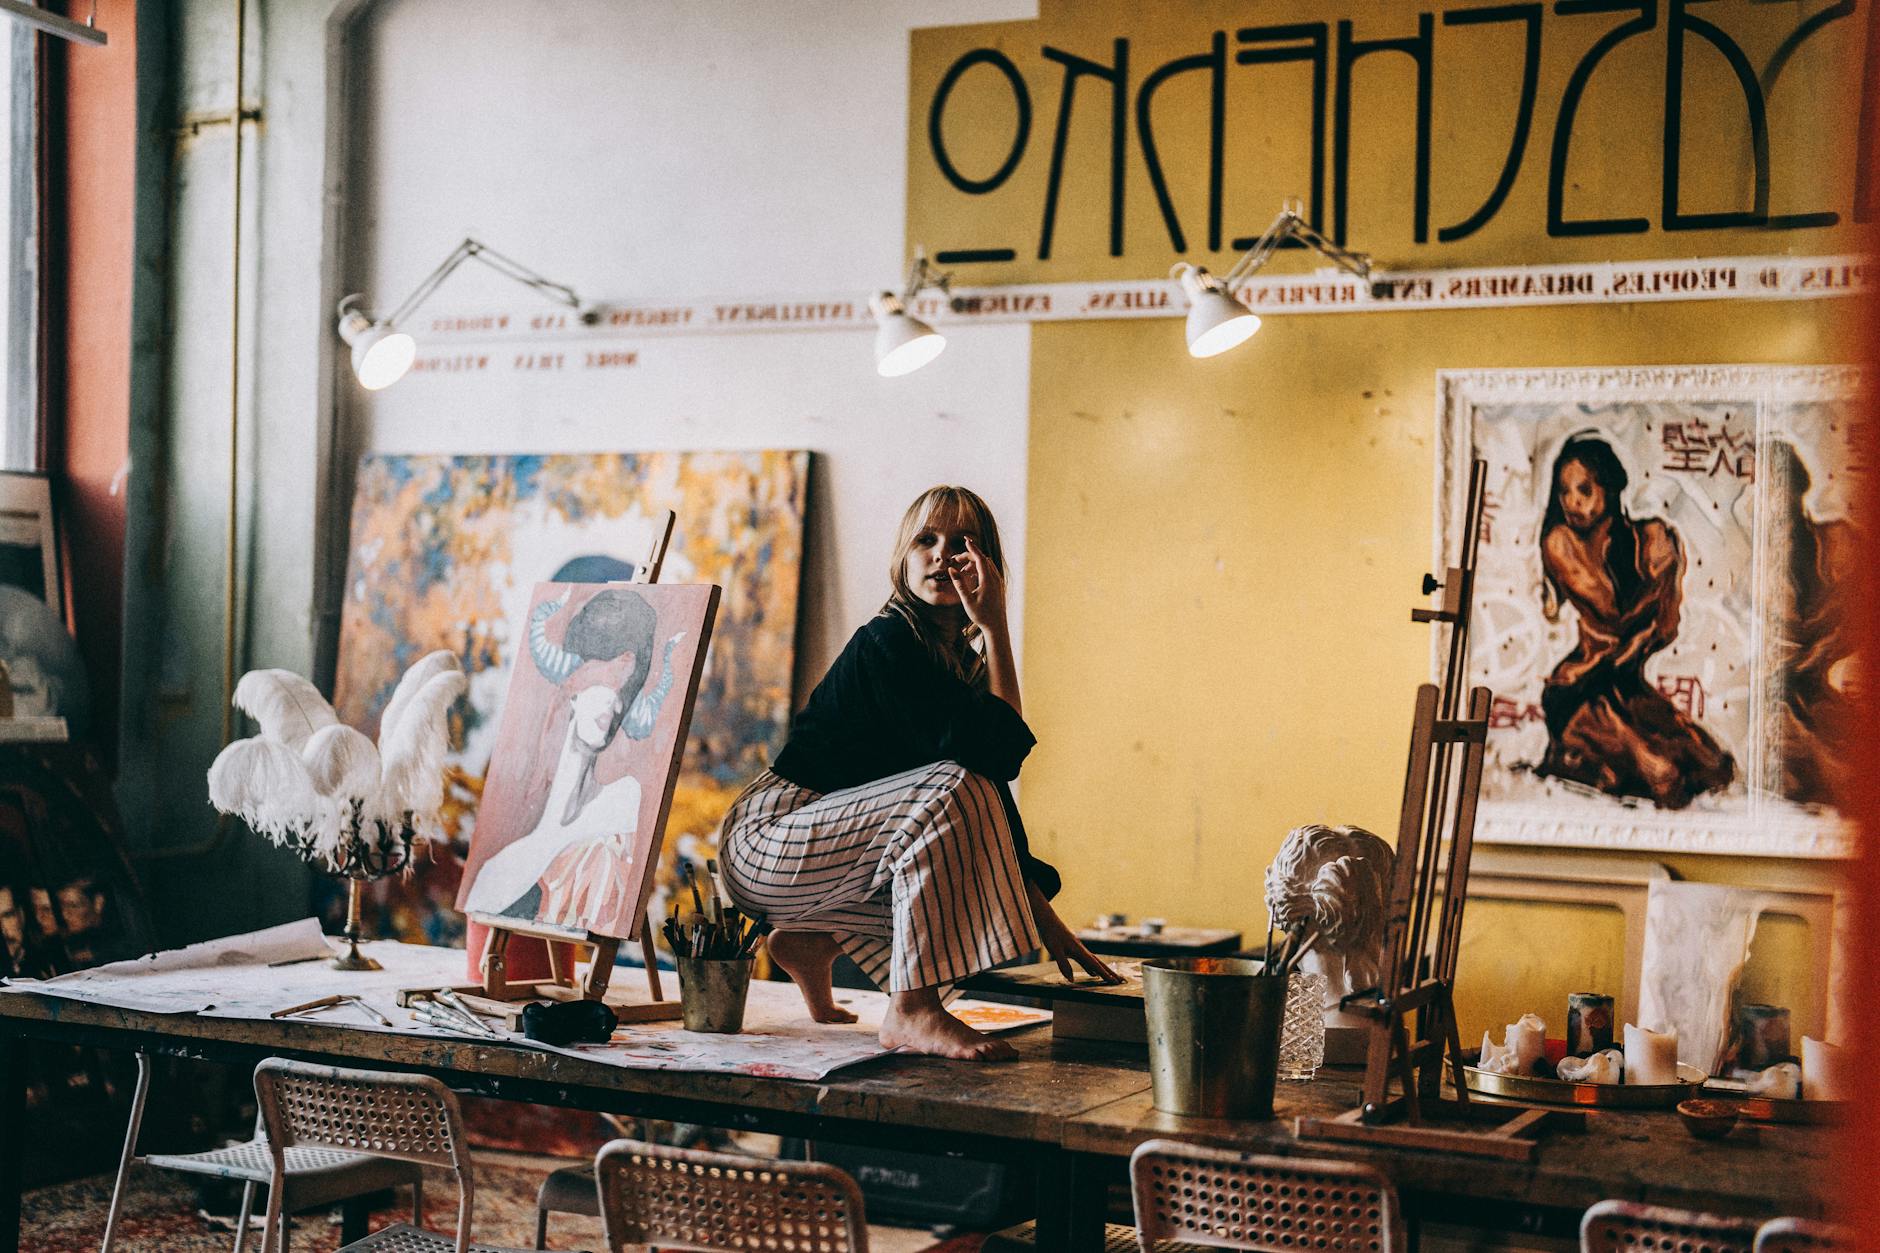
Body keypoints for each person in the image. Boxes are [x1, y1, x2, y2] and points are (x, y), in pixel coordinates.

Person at [718, 486, 1119, 1061]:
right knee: (958, 801)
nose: (942, 555)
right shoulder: (888, 642)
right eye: (925, 541)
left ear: (988, 567)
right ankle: (912, 1010)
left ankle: (812, 941)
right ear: (903, 562)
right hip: (766, 838)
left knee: (969, 870)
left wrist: (1040, 911)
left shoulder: (951, 663)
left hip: (813, 860)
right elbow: (984, 768)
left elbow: (991, 786)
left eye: (963, 544)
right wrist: (998, 624)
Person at [1536, 435, 1734, 809]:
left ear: (1610, 488)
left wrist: (1665, 570)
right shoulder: (1561, 543)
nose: (1572, 502)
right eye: (1563, 491)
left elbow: (1666, 626)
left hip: (1624, 684)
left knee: (1713, 765)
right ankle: (1597, 762)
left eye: (1583, 489)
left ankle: (1608, 768)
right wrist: (1656, 584)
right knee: (1663, 775)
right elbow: (1611, 610)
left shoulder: (1649, 537)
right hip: (1579, 688)